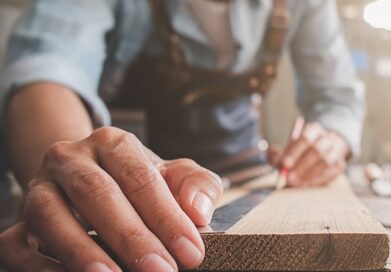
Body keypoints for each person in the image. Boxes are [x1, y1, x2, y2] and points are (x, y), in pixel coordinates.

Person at [0, 0, 364, 271]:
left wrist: (332, 139)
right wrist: (82, 179)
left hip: (247, 174)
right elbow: (48, 66)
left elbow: (337, 98)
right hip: (140, 183)